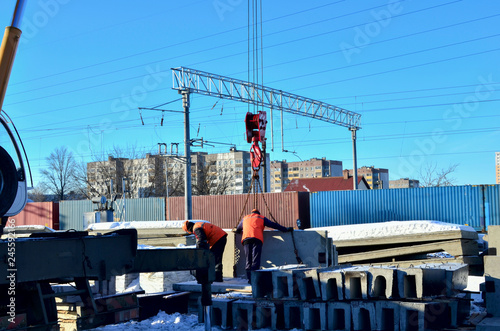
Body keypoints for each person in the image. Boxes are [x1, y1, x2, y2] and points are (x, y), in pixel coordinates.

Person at [235, 209, 293, 282]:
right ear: (258, 213)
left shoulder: (245, 218)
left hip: (246, 239)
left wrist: (238, 231)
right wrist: (285, 229)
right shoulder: (261, 217)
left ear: (252, 213)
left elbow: (238, 229)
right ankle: (255, 280)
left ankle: (249, 279)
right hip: (257, 239)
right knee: (255, 260)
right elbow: (273, 225)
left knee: (248, 260)